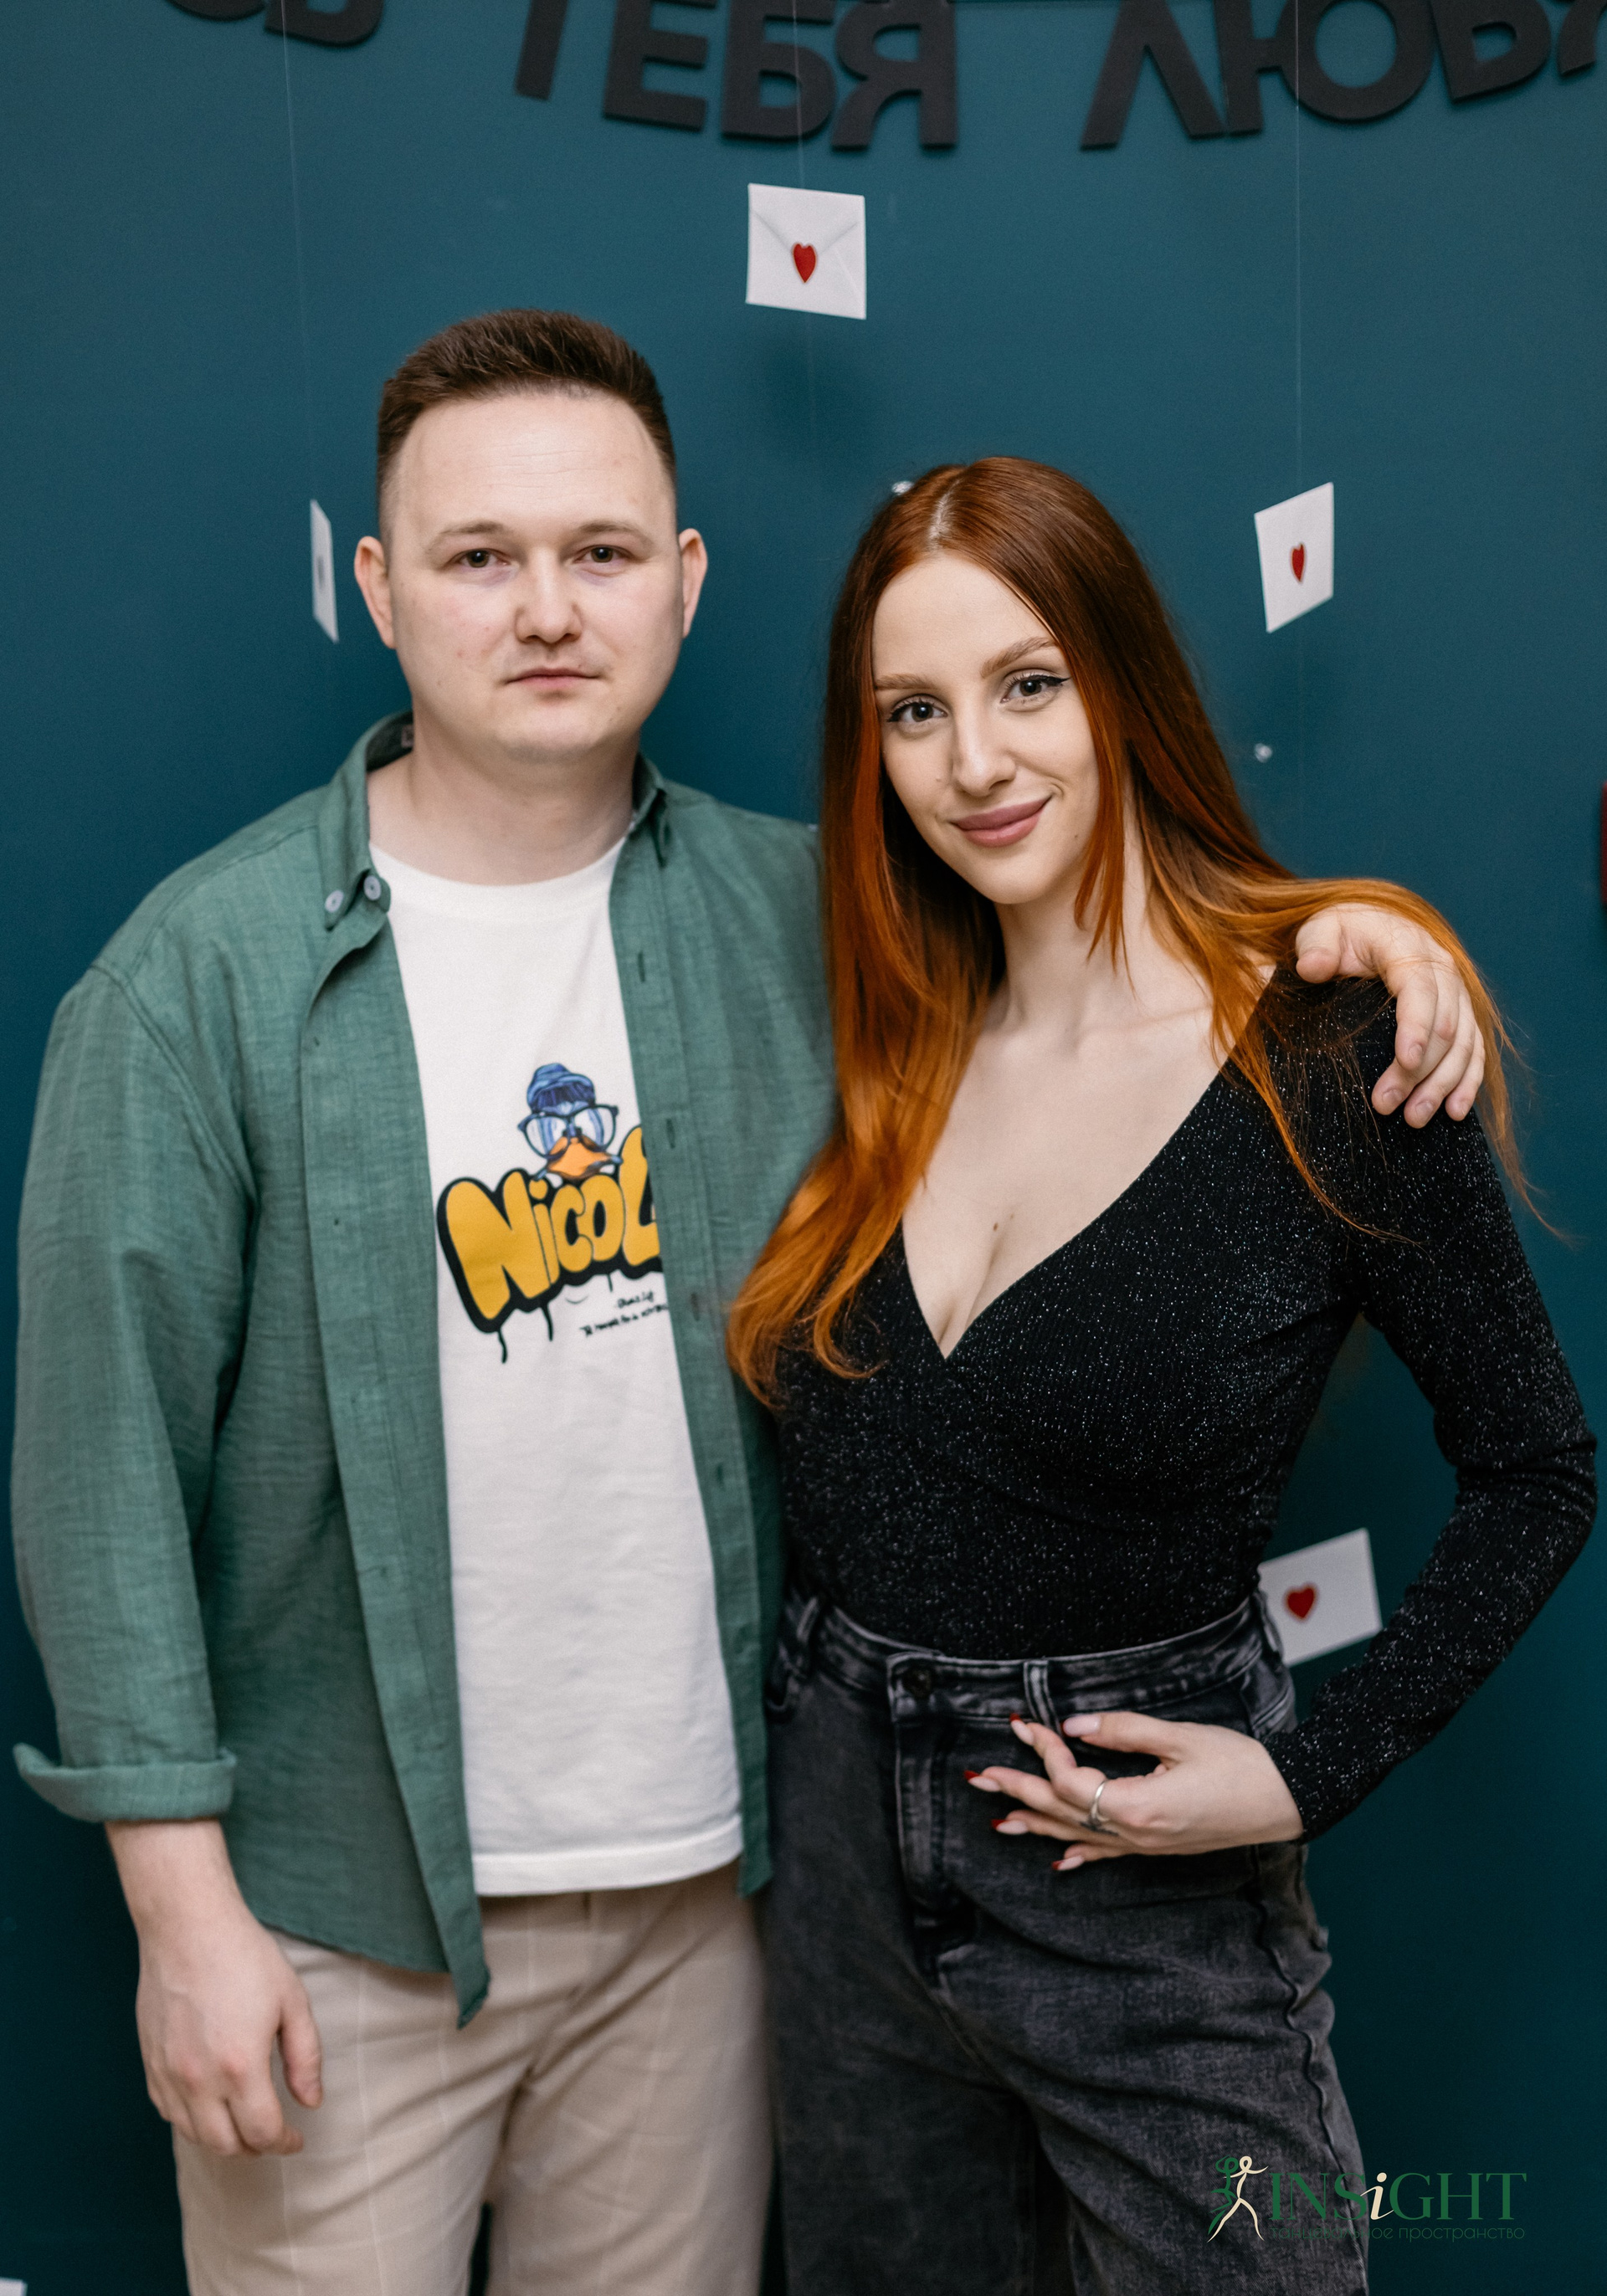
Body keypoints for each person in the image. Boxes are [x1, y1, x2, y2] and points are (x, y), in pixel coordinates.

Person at [11, 314, 1483, 2296]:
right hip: (342, 1926)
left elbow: (1101, 932)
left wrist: (1344, 938)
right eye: (478, 555)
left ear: (686, 583)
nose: (548, 608)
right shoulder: (195, 982)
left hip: (722, 1907)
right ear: (378, 585)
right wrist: (183, 1916)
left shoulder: (828, 926)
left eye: (603, 551)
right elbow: (98, 1485)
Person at [728, 458, 1596, 2295]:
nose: (974, 759)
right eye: (913, 711)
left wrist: (1305, 1776)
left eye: (1027, 682)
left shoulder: (1334, 1046)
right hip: (837, 1846)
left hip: (1138, 1878)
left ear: (1122, 679)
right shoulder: (886, 1030)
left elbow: (1540, 1469)